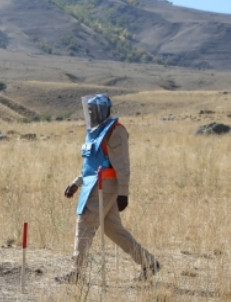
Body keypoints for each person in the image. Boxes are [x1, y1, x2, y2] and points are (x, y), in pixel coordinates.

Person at [60, 94, 160, 284]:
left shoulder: (115, 131)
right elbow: (91, 164)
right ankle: (149, 263)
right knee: (113, 229)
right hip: (93, 185)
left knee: (85, 223)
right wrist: (76, 182)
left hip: (104, 186)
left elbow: (122, 164)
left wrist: (123, 192)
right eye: (89, 109)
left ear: (104, 110)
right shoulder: (94, 131)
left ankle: (77, 272)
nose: (91, 113)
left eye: (94, 110)